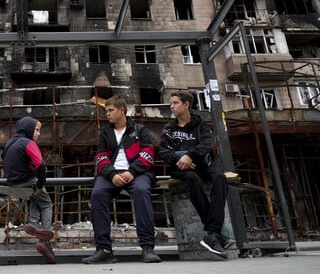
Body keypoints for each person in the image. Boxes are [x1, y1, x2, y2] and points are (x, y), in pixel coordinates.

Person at [82, 95, 162, 264]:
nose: (107, 114)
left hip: (136, 174)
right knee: (97, 195)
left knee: (141, 191)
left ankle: (147, 248)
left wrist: (132, 172)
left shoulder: (140, 130)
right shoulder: (105, 132)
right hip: (111, 174)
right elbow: (100, 158)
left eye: (110, 111)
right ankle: (103, 249)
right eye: (106, 111)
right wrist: (112, 175)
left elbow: (148, 154)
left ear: (121, 111)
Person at [158, 90, 231, 258]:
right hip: (180, 167)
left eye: (175, 103)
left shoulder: (201, 124)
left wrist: (189, 155)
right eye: (171, 103)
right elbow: (163, 151)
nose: (172, 106)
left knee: (220, 177)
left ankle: (212, 233)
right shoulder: (169, 128)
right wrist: (179, 159)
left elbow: (207, 143)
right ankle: (214, 234)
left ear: (186, 105)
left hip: (202, 162)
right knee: (193, 179)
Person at [2, 116, 55, 264]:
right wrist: (40, 185)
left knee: (35, 199)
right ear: (29, 129)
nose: (38, 134)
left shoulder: (9, 142)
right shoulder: (28, 143)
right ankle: (46, 241)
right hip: (27, 182)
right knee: (46, 204)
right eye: (37, 130)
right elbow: (42, 165)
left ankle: (32, 222)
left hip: (12, 184)